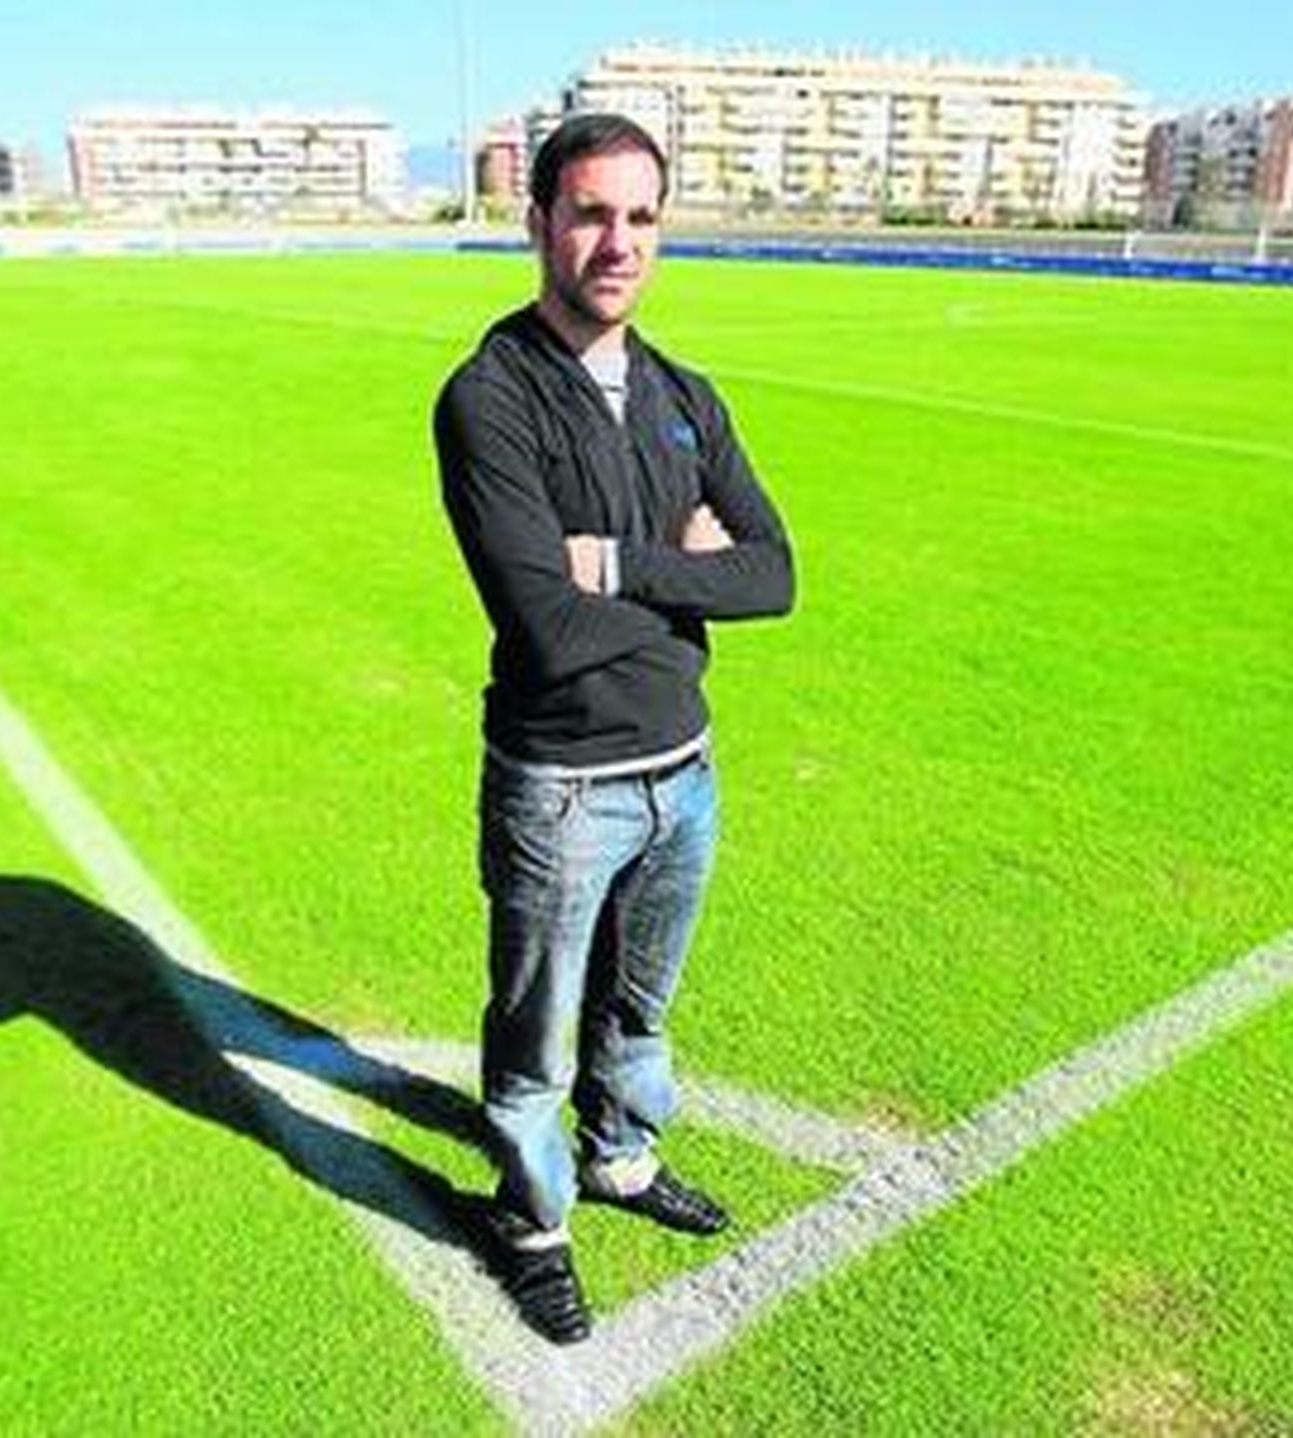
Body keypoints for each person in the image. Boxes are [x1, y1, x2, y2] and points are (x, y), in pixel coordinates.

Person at [433, 113, 795, 1344]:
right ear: (538, 222)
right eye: (589, 212)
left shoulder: (686, 395)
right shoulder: (489, 398)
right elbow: (542, 625)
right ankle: (531, 1223)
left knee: (639, 1013)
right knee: (536, 1043)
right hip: (561, 789)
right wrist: (682, 575)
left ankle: (623, 1162)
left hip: (681, 774)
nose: (615, 242)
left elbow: (775, 576)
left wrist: (614, 565)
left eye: (639, 217)